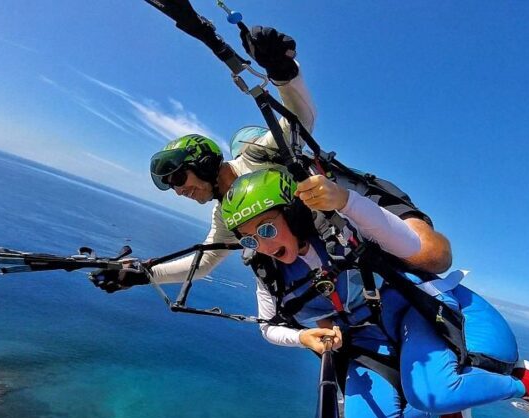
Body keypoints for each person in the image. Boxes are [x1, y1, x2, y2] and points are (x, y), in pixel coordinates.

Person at [220, 168, 529, 418]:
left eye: (267, 230)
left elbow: (408, 242)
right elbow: (268, 325)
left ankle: (521, 384)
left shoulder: (341, 229)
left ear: (293, 216)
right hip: (366, 338)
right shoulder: (268, 270)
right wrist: (303, 338)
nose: (263, 246)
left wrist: (344, 200)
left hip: (409, 310)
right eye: (251, 238)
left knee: (433, 392)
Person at [90, 25, 451, 294]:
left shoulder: (258, 153)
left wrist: (283, 72)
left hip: (358, 198)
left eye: (179, 179)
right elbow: (205, 261)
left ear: (202, 165)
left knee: (431, 258)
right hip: (340, 240)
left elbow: (298, 119)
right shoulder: (227, 215)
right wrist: (142, 275)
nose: (178, 191)